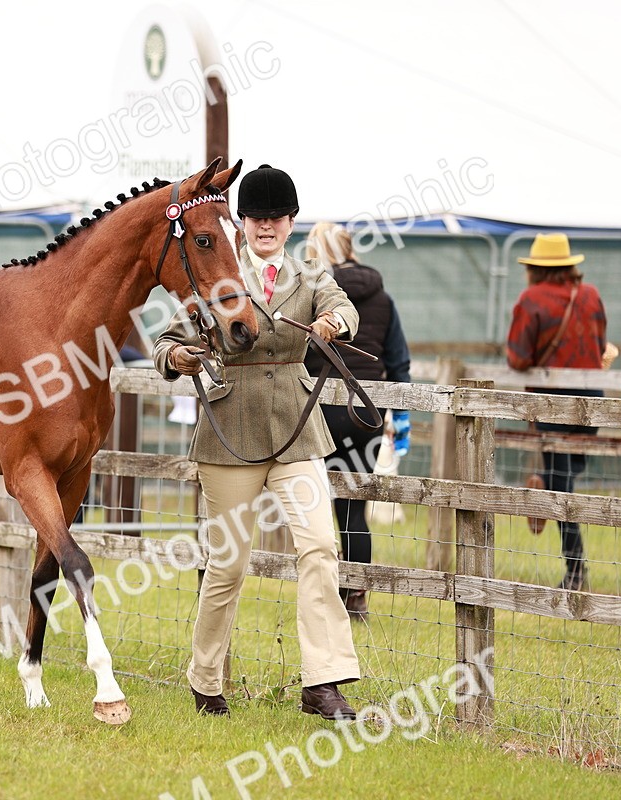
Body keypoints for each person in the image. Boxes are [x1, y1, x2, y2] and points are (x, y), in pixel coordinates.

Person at [152, 164, 361, 719]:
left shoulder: (310, 275)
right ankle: (206, 679)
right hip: (230, 433)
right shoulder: (218, 270)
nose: (265, 226)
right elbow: (165, 342)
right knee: (228, 564)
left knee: (320, 546)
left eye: (275, 217)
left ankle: (323, 682)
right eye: (255, 217)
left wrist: (333, 326)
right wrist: (178, 356)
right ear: (241, 222)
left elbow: (346, 308)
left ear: (291, 222)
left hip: (296, 433)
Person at [302, 222, 412, 621]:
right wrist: (399, 416)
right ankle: (357, 597)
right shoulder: (383, 296)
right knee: (354, 508)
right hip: (367, 412)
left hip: (319, 410)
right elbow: (399, 361)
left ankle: (322, 591)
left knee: (313, 504)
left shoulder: (315, 292)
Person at [506, 233, 607, 591]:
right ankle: (575, 569)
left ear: (534, 268)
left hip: (552, 403)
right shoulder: (591, 295)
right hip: (593, 400)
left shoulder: (531, 299)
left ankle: (576, 570)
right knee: (569, 473)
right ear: (570, 265)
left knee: (561, 483)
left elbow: (517, 357)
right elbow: (599, 343)